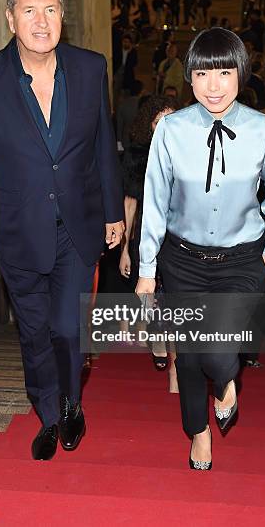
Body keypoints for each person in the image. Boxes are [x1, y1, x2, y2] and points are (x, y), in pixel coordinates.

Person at [0, 0, 124, 461]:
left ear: (63, 14)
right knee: (35, 333)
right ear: (10, 18)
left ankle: (70, 403)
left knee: (68, 329)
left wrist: (114, 209)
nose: (41, 20)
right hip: (18, 233)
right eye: (29, 9)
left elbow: (103, 148)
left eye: (50, 8)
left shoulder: (91, 69)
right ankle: (48, 413)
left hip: (77, 227)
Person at [136, 28, 265, 470]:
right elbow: (155, 200)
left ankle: (225, 382)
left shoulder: (264, 130)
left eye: (225, 72)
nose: (214, 85)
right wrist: (147, 269)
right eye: (203, 73)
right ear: (189, 76)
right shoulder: (171, 129)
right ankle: (198, 434)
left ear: (241, 73)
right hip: (182, 259)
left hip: (243, 260)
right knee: (188, 355)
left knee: (219, 352)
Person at [119, 94, 180, 391]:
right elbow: (130, 201)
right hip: (146, 233)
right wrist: (124, 250)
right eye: (160, 121)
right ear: (150, 125)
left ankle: (177, 373)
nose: (166, 126)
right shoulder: (137, 156)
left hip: (180, 235)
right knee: (152, 296)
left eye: (171, 119)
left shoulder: (187, 151)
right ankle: (157, 340)